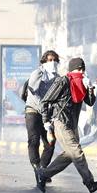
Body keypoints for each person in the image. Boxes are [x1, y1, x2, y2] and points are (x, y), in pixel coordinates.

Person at [37, 57, 97, 193]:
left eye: (83, 70)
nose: (82, 73)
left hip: (72, 124)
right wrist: (46, 122)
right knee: (77, 153)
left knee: (69, 155)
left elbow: (90, 102)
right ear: (73, 70)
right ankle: (90, 183)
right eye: (79, 70)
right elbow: (45, 101)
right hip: (60, 122)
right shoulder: (63, 81)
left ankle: (44, 174)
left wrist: (90, 88)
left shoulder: (82, 83)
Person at [25, 50, 60, 179]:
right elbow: (34, 93)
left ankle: (43, 169)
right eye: (49, 60)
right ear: (44, 61)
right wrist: (44, 112)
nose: (52, 62)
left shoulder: (57, 77)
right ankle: (36, 166)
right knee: (34, 140)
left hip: (47, 115)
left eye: (55, 60)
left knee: (50, 143)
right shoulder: (38, 73)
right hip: (33, 110)